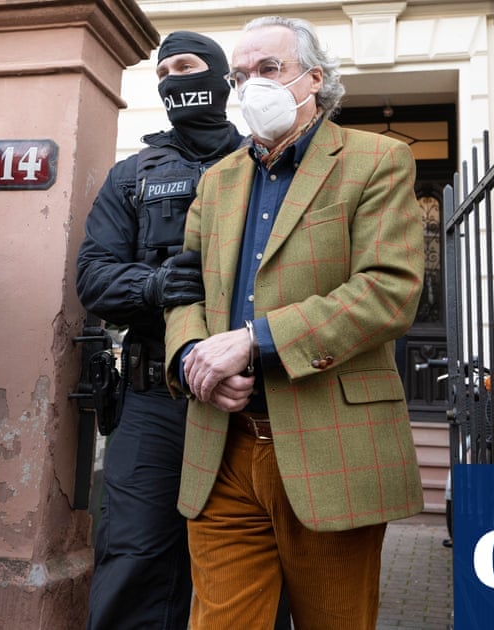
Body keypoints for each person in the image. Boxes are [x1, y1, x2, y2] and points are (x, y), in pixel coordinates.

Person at [163, 16, 426, 629]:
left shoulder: (377, 159)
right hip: (223, 447)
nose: (252, 84)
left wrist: (254, 341)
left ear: (315, 79)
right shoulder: (217, 180)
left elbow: (389, 290)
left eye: (269, 68)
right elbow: (184, 288)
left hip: (330, 443)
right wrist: (192, 355)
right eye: (240, 75)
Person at [74, 31, 251, 630]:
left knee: (245, 563)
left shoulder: (266, 162)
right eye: (165, 71)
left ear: (222, 78)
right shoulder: (133, 175)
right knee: (134, 558)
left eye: (188, 66)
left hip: (251, 398)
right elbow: (93, 278)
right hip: (154, 400)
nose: (175, 78)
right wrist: (153, 286)